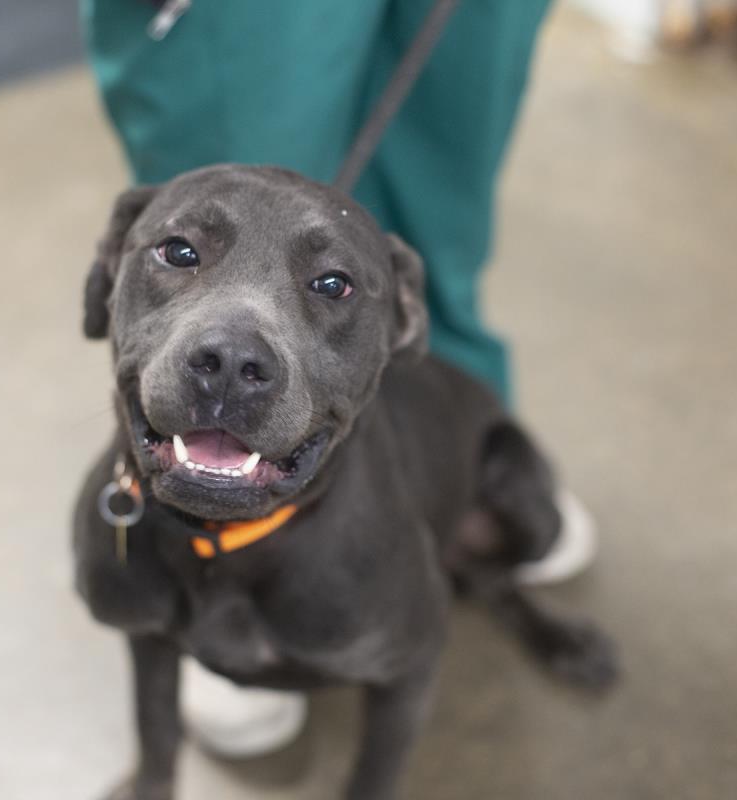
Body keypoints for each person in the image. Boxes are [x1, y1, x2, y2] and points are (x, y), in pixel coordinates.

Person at [82, 0, 596, 758]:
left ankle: (475, 554)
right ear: (110, 273)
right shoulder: (110, 517)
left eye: (331, 289)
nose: (232, 352)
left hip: (375, 534)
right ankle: (222, 656)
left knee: (453, 124)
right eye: (181, 256)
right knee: (241, 92)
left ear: (401, 333)